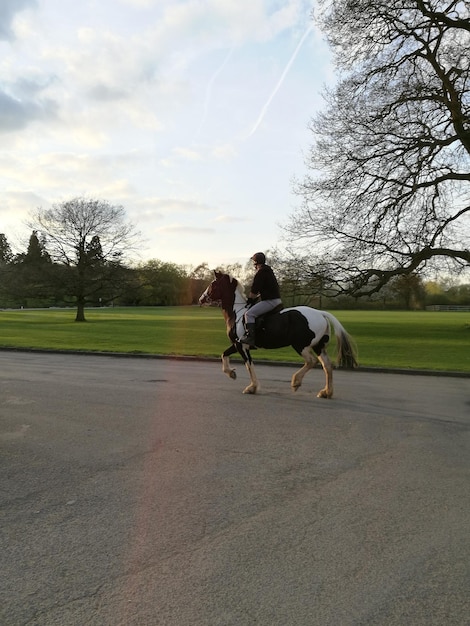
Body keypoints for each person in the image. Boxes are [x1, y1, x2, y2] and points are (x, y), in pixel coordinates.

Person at [240, 252, 282, 345]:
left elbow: (254, 290)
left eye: (253, 262)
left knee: (249, 314)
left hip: (270, 301)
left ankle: (250, 338)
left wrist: (250, 300)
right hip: (275, 299)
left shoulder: (261, 272)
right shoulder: (268, 271)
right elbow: (266, 289)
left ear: (256, 262)